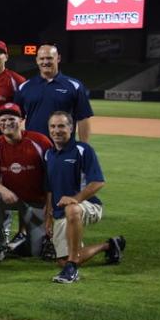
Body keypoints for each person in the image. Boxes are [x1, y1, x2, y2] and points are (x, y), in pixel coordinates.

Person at [44, 111, 124, 284]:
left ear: (71, 128)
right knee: (62, 261)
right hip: (60, 212)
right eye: (53, 126)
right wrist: (48, 217)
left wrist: (76, 198)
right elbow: (50, 189)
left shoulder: (83, 150)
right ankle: (109, 245)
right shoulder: (48, 155)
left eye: (61, 126)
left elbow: (98, 182)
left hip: (88, 205)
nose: (57, 130)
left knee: (71, 209)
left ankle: (72, 270)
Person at [0, 103, 52, 262]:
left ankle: (23, 240)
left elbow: (51, 178)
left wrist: (49, 208)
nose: (7, 123)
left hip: (36, 202)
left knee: (35, 251)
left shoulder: (40, 142)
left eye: (11, 119)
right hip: (12, 198)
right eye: (3, 119)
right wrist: (3, 190)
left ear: (22, 120)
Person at [15, 44, 93, 141]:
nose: (45, 62)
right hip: (34, 147)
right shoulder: (25, 87)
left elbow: (83, 118)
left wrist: (83, 147)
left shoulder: (75, 86)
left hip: (63, 148)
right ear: (37, 60)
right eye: (42, 58)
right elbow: (16, 118)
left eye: (49, 58)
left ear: (58, 58)